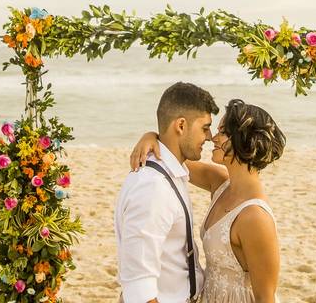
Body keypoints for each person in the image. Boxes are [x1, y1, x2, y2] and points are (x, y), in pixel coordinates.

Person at [129, 98, 285, 303]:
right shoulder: (219, 183)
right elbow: (174, 156)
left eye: (222, 132)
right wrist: (151, 136)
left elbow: (266, 297)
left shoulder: (255, 217)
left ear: (242, 140)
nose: (213, 138)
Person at [114, 82, 219, 303]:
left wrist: (151, 135)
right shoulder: (153, 188)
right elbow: (139, 288)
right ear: (181, 125)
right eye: (205, 127)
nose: (209, 137)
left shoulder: (172, 172)